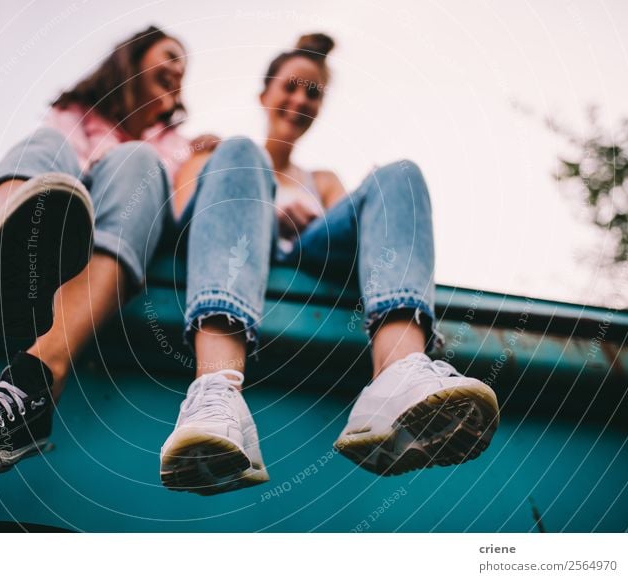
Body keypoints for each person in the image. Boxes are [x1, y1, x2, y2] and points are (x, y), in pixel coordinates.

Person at [161, 33, 499, 495]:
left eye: (313, 92)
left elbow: (365, 243)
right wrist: (272, 209)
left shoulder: (321, 180)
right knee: (241, 152)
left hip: (309, 253)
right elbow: (184, 221)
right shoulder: (214, 153)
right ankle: (215, 396)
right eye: (291, 86)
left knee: (398, 175)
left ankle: (399, 372)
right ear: (265, 93)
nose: (300, 99)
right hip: (232, 250)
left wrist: (305, 224)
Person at [0, 26, 191, 473]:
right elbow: (57, 167)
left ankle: (34, 381)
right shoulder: (75, 116)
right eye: (170, 56)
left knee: (137, 161)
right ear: (133, 61)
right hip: (59, 220)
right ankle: (9, 267)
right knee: (44, 143)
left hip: (114, 233)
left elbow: (175, 213)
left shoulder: (177, 148)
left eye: (184, 66)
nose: (178, 70)